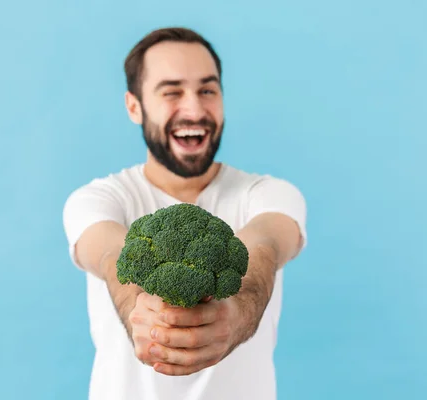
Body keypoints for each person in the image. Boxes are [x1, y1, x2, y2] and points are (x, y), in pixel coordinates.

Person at [62, 26, 308, 400]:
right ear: (134, 106)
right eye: (171, 91)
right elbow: (111, 253)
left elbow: (265, 245)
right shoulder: (98, 198)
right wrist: (137, 311)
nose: (194, 109)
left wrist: (238, 312)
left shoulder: (270, 194)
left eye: (207, 90)